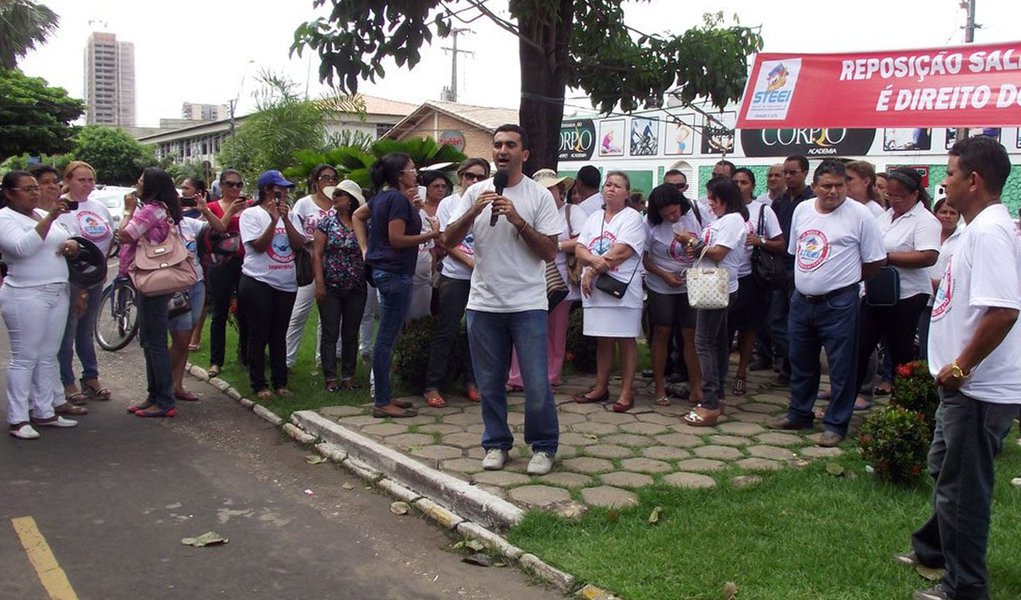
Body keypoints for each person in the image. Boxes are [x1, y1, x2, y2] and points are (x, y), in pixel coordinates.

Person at [901, 136, 1021, 600]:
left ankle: (965, 586)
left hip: (976, 387)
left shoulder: (989, 232)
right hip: (961, 384)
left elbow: (1004, 310)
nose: (943, 181)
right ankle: (933, 548)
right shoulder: (978, 228)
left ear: (972, 180)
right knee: (944, 469)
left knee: (963, 489)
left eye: (949, 173)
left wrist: (961, 366)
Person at [442, 124, 562, 475]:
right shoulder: (474, 193)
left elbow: (550, 251)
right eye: (497, 145)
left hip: (527, 304)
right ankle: (496, 443)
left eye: (511, 145)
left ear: (524, 154)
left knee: (537, 382)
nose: (502, 151)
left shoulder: (538, 197)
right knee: (489, 382)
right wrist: (472, 211)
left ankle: (543, 446)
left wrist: (518, 220)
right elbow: (448, 239)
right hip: (484, 303)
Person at [769, 160, 885, 447]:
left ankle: (836, 423)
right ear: (815, 186)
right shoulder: (803, 210)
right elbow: (796, 252)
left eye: (839, 185)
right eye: (827, 186)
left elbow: (875, 261)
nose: (833, 191)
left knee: (841, 366)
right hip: (802, 300)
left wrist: (844, 279)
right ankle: (799, 412)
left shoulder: (860, 215)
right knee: (801, 360)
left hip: (839, 303)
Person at [352, 153, 439, 418]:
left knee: (388, 337)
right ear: (400, 175)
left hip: (383, 271)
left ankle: (385, 394)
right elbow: (397, 239)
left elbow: (357, 215)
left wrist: (366, 248)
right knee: (386, 340)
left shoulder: (383, 197)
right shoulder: (397, 199)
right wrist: (431, 234)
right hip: (394, 274)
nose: (416, 173)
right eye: (412, 169)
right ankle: (382, 401)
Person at [0, 171, 81, 438]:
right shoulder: (6, 218)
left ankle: (45, 410)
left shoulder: (37, 215)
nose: (35, 192)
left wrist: (71, 245)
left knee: (48, 356)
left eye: (36, 188)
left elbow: (61, 242)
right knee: (25, 358)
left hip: (57, 290)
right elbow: (22, 248)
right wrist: (50, 217)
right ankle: (18, 418)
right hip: (26, 293)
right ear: (9, 193)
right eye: (27, 189)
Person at [852, 167, 940, 411]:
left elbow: (928, 256)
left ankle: (905, 408)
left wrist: (887, 258)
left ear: (915, 194)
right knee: (860, 346)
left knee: (901, 350)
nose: (894, 200)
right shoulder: (884, 216)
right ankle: (846, 400)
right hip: (877, 293)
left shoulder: (925, 220)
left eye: (899, 196)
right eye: (890, 195)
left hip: (908, 295)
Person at [674, 177, 748, 426]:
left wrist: (690, 241)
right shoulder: (720, 221)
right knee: (716, 343)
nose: (709, 203)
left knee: (703, 343)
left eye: (712, 198)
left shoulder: (733, 220)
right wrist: (694, 247)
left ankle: (710, 402)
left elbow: (718, 253)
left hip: (718, 287)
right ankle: (717, 396)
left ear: (723, 198)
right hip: (712, 284)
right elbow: (707, 250)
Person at [119, 167, 190, 418]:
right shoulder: (159, 208)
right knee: (149, 340)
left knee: (155, 341)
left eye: (140, 180)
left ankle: (164, 400)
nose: (137, 183)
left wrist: (128, 211)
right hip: (147, 277)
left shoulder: (151, 210)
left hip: (150, 279)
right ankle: (154, 395)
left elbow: (125, 235)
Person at [573, 172, 646, 413]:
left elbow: (622, 251)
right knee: (602, 338)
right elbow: (580, 248)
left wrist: (592, 270)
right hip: (595, 291)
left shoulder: (632, 218)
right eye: (608, 184)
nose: (611, 189)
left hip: (621, 287)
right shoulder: (594, 217)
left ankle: (626, 391)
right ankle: (600, 386)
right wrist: (593, 263)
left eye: (617, 186)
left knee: (625, 339)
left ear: (627, 192)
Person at [507, 168, 583, 390]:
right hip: (529, 277)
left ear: (560, 190)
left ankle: (550, 376)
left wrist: (553, 246)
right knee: (525, 328)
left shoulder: (572, 212)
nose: (548, 193)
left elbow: (581, 240)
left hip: (560, 281)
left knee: (555, 330)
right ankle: (517, 377)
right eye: (543, 189)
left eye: (551, 188)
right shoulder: (530, 209)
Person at [424, 158, 490, 406]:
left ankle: (472, 382)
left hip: (483, 278)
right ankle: (432, 385)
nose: (474, 181)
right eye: (469, 176)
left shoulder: (490, 203)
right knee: (447, 330)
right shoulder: (448, 204)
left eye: (480, 177)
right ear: (460, 177)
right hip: (455, 275)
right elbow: (444, 240)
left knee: (478, 332)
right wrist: (472, 264)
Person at [237, 170, 305, 400]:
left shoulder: (291, 215)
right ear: (267, 190)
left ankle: (280, 382)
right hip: (258, 280)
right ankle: (259, 384)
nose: (285, 193)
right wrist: (273, 221)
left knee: (279, 334)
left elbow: (298, 244)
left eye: (286, 189)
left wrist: (285, 219)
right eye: (280, 189)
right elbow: (257, 246)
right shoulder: (251, 214)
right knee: (259, 333)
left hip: (285, 282)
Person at [29, 164, 90, 418]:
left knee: (50, 349)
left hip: (62, 287)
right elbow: (24, 248)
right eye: (44, 183)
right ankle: (30, 406)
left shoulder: (61, 215)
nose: (52, 187)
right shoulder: (22, 216)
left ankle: (53, 398)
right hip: (31, 291)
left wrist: (81, 289)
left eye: (55, 182)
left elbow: (71, 251)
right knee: (30, 352)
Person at [56, 161, 115, 406]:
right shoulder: (61, 209)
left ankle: (90, 376)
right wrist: (79, 287)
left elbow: (111, 235)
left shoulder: (98, 207)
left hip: (95, 278)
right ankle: (66, 380)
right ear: (68, 180)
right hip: (71, 280)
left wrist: (101, 268)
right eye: (81, 180)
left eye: (90, 180)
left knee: (86, 329)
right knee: (67, 332)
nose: (87, 185)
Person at [641, 183, 703, 407]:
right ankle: (659, 386)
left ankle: (696, 387)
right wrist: (664, 274)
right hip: (662, 284)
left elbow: (708, 243)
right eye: (666, 215)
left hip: (691, 283)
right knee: (662, 331)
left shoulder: (696, 213)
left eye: (675, 212)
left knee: (690, 334)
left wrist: (692, 244)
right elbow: (645, 258)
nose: (672, 217)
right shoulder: (650, 224)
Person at [730, 168, 784, 397]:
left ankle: (742, 371)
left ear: (752, 185)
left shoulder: (762, 210)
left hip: (751, 276)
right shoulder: (722, 209)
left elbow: (781, 243)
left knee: (748, 327)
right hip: (725, 277)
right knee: (723, 328)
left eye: (744, 182)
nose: (740, 186)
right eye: (736, 182)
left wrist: (759, 240)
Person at [169, 187, 226, 403]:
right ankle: (160, 383)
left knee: (184, 339)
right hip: (174, 287)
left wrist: (205, 210)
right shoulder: (159, 225)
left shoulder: (188, 223)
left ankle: (177, 384)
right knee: (181, 339)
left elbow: (218, 228)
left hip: (196, 283)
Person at [312, 180, 368, 392]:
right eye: (334, 194)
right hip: (331, 285)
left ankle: (348, 375)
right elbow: (317, 254)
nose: (334, 197)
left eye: (340, 194)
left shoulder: (363, 223)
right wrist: (319, 283)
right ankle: (330, 376)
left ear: (351, 200)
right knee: (330, 331)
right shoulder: (326, 223)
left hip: (356, 285)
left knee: (350, 332)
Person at [285, 164, 339, 369]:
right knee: (299, 313)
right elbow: (297, 235)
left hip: (333, 265)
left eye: (333, 178)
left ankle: (323, 358)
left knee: (328, 316)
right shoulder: (304, 204)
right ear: (316, 180)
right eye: (325, 177)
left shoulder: (338, 205)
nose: (330, 181)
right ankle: (287, 360)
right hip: (308, 265)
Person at [768, 154, 816, 384]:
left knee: (796, 322)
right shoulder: (780, 201)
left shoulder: (812, 201)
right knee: (776, 322)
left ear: (805, 173)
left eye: (792, 172)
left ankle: (797, 369)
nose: (787, 177)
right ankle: (794, 365)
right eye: (784, 172)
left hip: (802, 267)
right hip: (779, 266)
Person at [205, 169, 248, 379]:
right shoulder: (213, 207)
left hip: (245, 262)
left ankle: (246, 355)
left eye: (239, 185)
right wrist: (230, 211)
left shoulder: (248, 207)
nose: (235, 188)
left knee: (246, 310)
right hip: (221, 263)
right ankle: (216, 360)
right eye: (230, 184)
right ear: (221, 186)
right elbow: (216, 231)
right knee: (220, 312)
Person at [917, 198, 963, 360]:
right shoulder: (926, 233)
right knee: (925, 346)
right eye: (943, 212)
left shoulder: (963, 238)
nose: (947, 216)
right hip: (925, 300)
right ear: (935, 214)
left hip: (950, 303)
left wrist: (941, 283)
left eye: (952, 213)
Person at [407, 170, 447, 321]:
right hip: (421, 260)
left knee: (436, 307)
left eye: (443, 186)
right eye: (436, 186)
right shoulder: (417, 210)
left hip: (445, 259)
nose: (440, 189)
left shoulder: (448, 206)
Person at [180, 177, 211, 352]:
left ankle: (195, 335)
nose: (184, 192)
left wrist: (204, 210)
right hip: (181, 270)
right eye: (182, 188)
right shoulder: (180, 213)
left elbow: (213, 228)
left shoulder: (201, 213)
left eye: (187, 188)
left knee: (201, 301)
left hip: (202, 263)